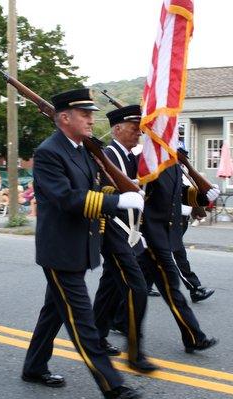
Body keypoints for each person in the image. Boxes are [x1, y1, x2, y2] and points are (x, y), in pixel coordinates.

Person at [22, 88, 143, 399]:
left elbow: (89, 188)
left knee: (53, 312)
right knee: (82, 321)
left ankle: (34, 366)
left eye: (91, 113)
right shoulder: (49, 152)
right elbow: (67, 198)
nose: (92, 118)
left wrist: (120, 191)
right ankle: (112, 386)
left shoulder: (79, 149)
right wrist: (118, 201)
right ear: (64, 117)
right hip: (60, 250)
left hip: (79, 246)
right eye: (84, 114)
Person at [92, 105, 157, 373]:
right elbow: (98, 190)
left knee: (109, 287)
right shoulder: (106, 155)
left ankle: (96, 335)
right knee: (136, 288)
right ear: (117, 129)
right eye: (133, 129)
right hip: (113, 231)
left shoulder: (131, 156)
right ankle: (135, 352)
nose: (136, 135)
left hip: (131, 232)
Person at [140, 156, 220, 353]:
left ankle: (115, 320)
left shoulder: (172, 164)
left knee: (126, 286)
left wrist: (202, 196)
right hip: (151, 237)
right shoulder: (150, 160)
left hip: (167, 234)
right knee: (169, 288)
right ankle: (193, 337)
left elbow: (180, 194)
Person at [175, 204, 215, 302]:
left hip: (180, 218)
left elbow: (189, 192)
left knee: (155, 252)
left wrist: (198, 210)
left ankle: (145, 284)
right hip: (171, 218)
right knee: (177, 255)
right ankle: (195, 289)